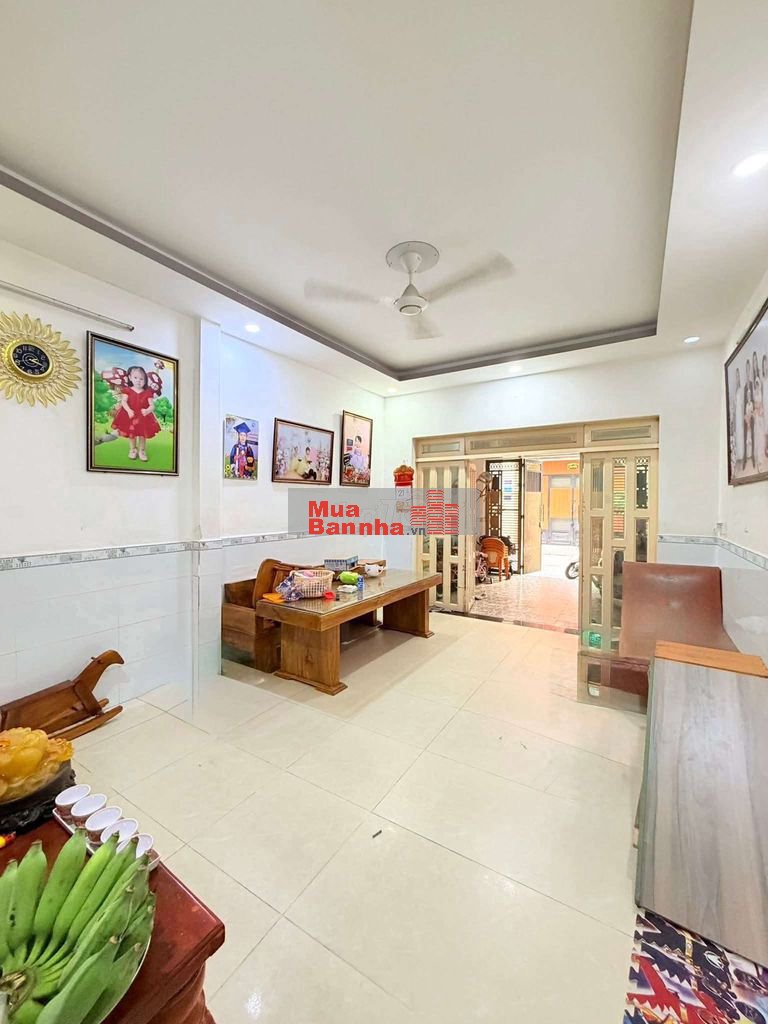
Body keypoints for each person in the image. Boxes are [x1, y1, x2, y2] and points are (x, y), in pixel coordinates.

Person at [111, 365, 161, 462]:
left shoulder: (147, 392)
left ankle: (142, 451)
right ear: (130, 377)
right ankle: (133, 449)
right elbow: (123, 402)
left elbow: (152, 405)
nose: (138, 380)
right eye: (135, 378)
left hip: (143, 417)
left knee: (142, 435)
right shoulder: (128, 390)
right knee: (132, 434)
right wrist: (129, 410)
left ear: (145, 380)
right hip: (131, 416)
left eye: (141, 379)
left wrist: (147, 410)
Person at [733, 368, 744, 470]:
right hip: (737, 415)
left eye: (738, 376)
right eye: (735, 377)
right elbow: (735, 405)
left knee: (741, 434)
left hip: (740, 414)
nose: (737, 378)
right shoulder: (735, 391)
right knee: (737, 436)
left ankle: (741, 456)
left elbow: (741, 404)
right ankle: (738, 457)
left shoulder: (740, 390)